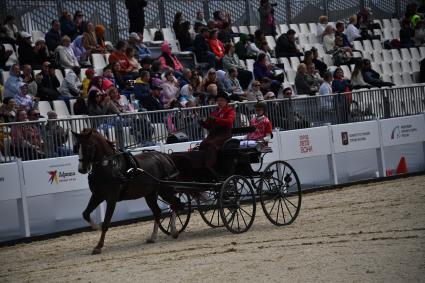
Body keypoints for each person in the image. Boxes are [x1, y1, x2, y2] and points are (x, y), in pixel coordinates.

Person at [199, 91, 235, 175]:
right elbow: (209, 126)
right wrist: (203, 123)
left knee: (211, 144)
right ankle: (201, 164)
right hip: (213, 135)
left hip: (224, 135)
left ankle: (210, 166)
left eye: (222, 100)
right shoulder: (214, 112)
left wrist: (216, 120)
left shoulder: (230, 111)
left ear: (226, 101)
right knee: (202, 144)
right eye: (218, 100)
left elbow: (229, 122)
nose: (219, 102)